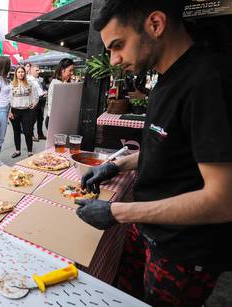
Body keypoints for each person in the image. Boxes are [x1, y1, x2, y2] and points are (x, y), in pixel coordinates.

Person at [76, 1, 232, 306]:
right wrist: (116, 165)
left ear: (156, 24)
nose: (115, 60)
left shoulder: (208, 81)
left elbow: (222, 200)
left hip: (184, 251)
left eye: (118, 46)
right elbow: (169, 149)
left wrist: (116, 212)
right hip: (150, 231)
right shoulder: (165, 79)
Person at [9, 65, 37, 158]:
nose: (20, 73)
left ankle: (30, 151)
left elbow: (35, 95)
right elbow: (8, 99)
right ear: (16, 74)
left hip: (27, 111)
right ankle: (17, 151)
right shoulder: (11, 84)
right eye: (19, 72)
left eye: (22, 72)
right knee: (16, 131)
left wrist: (34, 103)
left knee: (28, 131)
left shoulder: (29, 83)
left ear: (25, 73)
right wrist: (9, 112)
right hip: (15, 111)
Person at [45, 58, 74, 129]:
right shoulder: (58, 84)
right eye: (70, 70)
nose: (72, 73)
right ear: (62, 70)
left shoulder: (59, 83)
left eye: (72, 71)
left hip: (54, 120)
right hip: (55, 121)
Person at [28, 64, 46, 141]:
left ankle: (40, 134)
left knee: (40, 119)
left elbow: (39, 90)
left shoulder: (37, 79)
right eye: (36, 70)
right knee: (32, 120)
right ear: (31, 70)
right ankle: (31, 135)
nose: (38, 72)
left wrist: (43, 92)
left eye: (38, 70)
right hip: (34, 101)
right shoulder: (29, 79)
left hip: (41, 100)